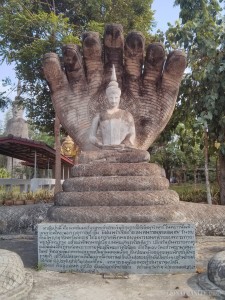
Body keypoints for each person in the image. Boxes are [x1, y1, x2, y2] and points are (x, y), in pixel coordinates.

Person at [89, 65, 136, 149]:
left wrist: (124, 144)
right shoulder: (99, 115)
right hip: (105, 149)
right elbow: (92, 136)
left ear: (119, 98)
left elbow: (132, 134)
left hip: (122, 149)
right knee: (86, 157)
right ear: (107, 98)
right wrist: (101, 145)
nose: (113, 100)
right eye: (111, 98)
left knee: (144, 155)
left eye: (116, 98)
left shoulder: (127, 115)